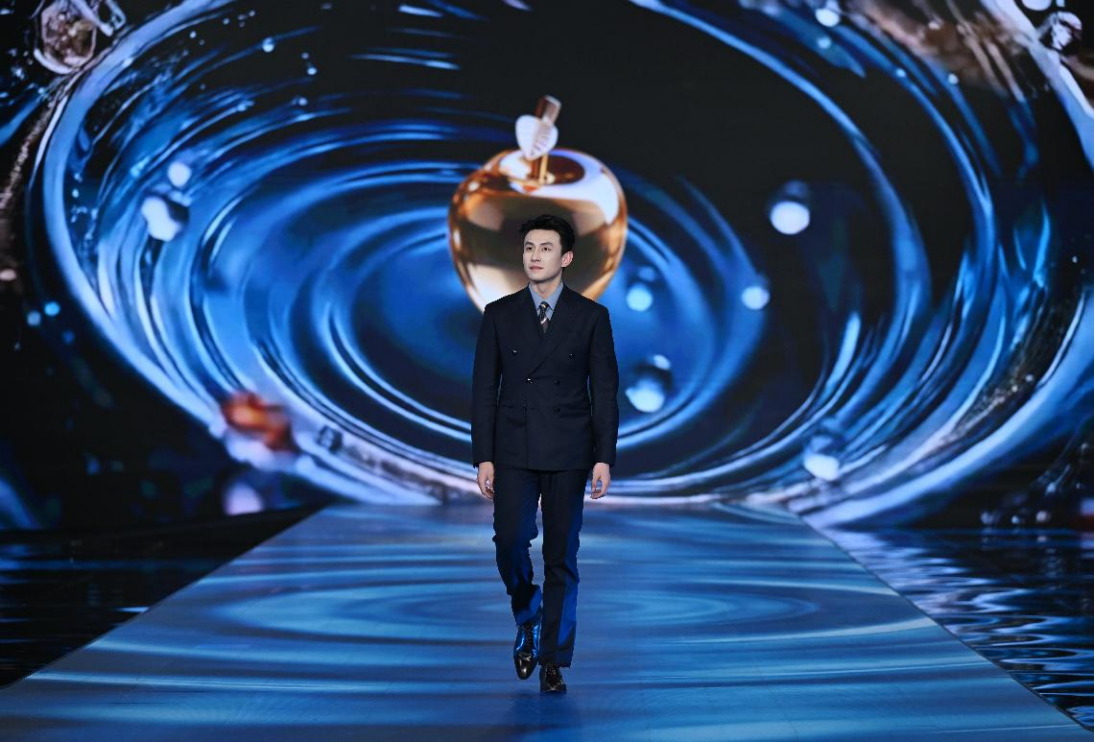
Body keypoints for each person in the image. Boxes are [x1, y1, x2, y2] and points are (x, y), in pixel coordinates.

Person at [470, 213, 620, 694]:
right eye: (529, 248)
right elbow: (483, 390)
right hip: (513, 446)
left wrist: (603, 456)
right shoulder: (499, 314)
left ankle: (553, 659)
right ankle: (528, 613)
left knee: (561, 555)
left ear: (567, 257)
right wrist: (483, 455)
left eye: (546, 248)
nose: (534, 256)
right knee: (510, 541)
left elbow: (605, 392)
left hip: (570, 448)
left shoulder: (591, 317)